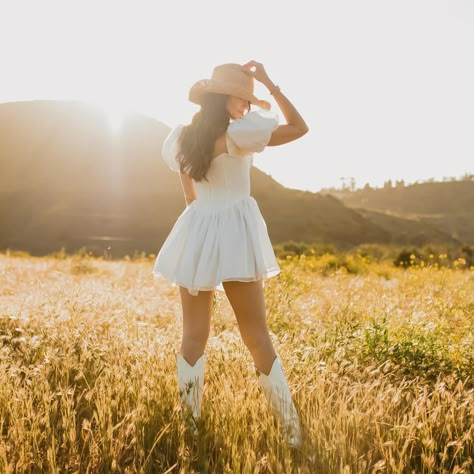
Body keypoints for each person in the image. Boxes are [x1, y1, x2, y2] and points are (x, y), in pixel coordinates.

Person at [152, 60, 309, 448]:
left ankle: (190, 429)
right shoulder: (241, 135)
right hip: (235, 232)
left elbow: (189, 194)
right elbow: (300, 127)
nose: (246, 107)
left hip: (198, 228)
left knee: (193, 336)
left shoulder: (182, 138)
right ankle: (290, 431)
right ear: (225, 99)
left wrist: (203, 218)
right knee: (256, 333)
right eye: (242, 99)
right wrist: (270, 84)